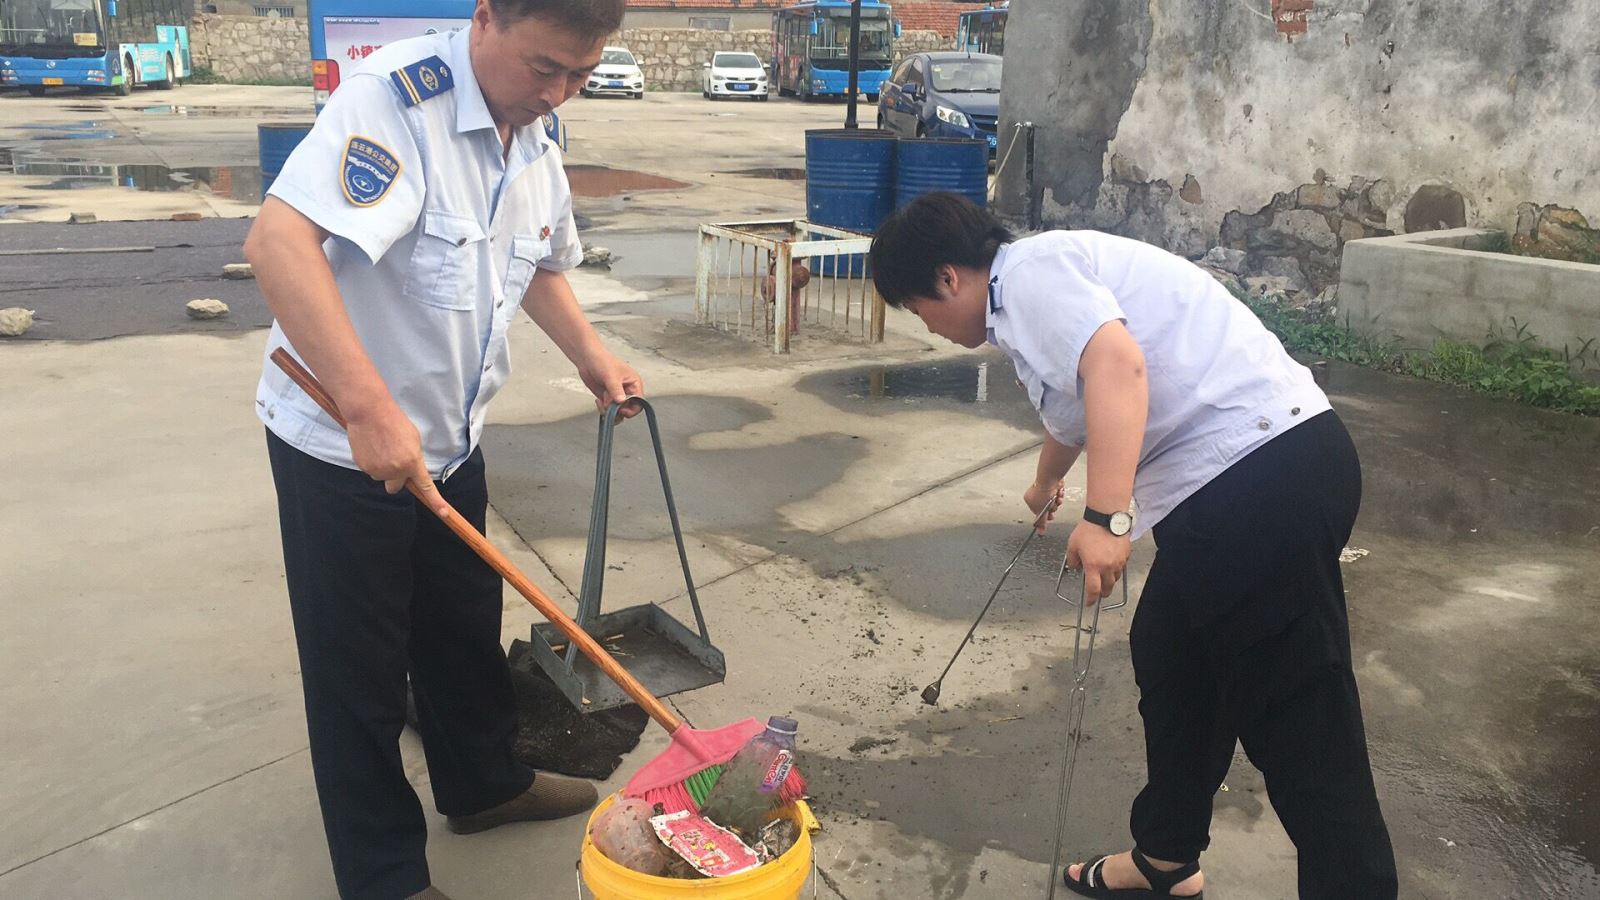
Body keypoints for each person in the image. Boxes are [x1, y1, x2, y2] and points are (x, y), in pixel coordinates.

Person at [868, 192, 1398, 899]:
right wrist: (1045, 483)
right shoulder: (1021, 295)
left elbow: (1117, 366)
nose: (928, 327)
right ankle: (1166, 857)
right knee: (1173, 657)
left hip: (1261, 479)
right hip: (1240, 484)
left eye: (917, 309)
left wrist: (1108, 519)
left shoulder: (1028, 277)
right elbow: (1079, 404)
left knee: (1300, 722)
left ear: (947, 278)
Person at [242, 1, 635, 897]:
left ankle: (484, 784)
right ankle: (383, 875)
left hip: (448, 444)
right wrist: (366, 405)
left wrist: (592, 356)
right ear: (486, 17)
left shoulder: (534, 129)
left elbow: (535, 262)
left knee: (461, 630)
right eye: (544, 67)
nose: (557, 92)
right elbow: (278, 243)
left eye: (580, 75)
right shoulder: (395, 101)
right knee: (360, 675)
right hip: (343, 450)